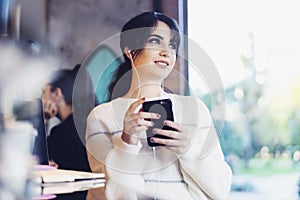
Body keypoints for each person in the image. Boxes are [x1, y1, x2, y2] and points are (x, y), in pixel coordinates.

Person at [86, 11, 232, 200]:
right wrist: (127, 142)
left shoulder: (195, 111)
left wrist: (188, 150)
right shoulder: (101, 117)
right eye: (155, 41)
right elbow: (108, 195)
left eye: (172, 45)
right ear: (129, 50)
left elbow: (220, 190)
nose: (166, 51)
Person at [42, 64, 94, 172]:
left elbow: (38, 159)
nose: (41, 97)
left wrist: (42, 120)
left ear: (57, 93)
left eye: (44, 91)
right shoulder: (88, 123)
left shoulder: (61, 134)